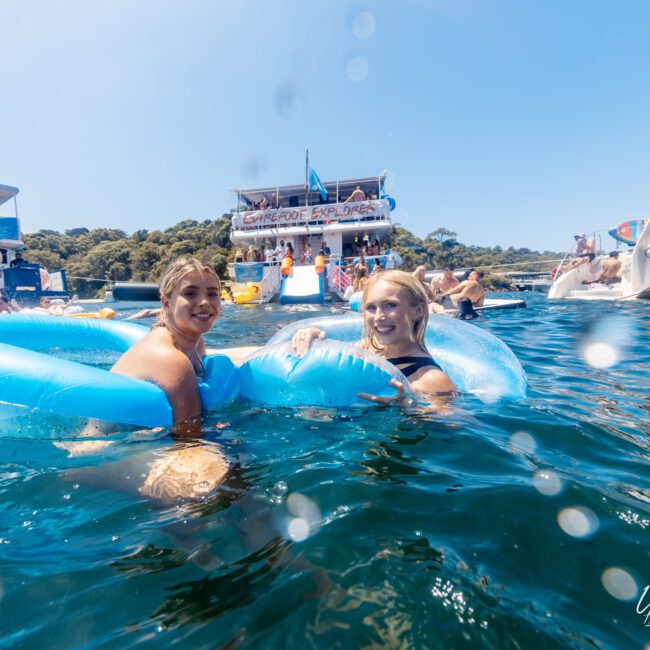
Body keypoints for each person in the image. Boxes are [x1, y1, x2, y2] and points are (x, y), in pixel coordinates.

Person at [291, 270, 456, 402]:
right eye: (371, 307)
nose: (378, 317)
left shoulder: (431, 379)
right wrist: (313, 337)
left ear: (417, 312)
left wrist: (409, 409)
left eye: (390, 305)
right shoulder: (366, 346)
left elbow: (452, 428)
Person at [110, 258, 222, 435]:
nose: (204, 302)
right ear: (166, 303)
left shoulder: (195, 342)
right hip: (108, 447)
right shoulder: (170, 358)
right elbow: (189, 440)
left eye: (212, 294)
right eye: (190, 293)